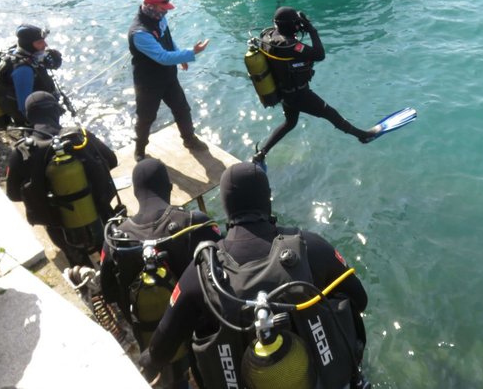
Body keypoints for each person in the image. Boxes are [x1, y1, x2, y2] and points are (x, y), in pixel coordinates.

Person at [138, 162, 370, 389]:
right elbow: (360, 299)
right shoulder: (311, 245)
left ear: (226, 204)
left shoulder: (198, 274)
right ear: (266, 198)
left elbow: (160, 352)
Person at [100, 158, 222, 389]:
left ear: (135, 193)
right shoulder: (194, 224)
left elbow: (108, 293)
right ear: (169, 187)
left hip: (151, 337)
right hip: (201, 335)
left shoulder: (115, 240)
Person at [6, 91, 119, 267]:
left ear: (29, 116)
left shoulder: (22, 152)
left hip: (59, 227)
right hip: (100, 214)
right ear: (56, 111)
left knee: (80, 267)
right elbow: (112, 160)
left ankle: (88, 282)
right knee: (113, 254)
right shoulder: (79, 136)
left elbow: (13, 195)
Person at [252, 7, 377, 165]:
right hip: (298, 95)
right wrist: (312, 29)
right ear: (291, 25)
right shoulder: (289, 45)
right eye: (296, 22)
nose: (299, 25)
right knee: (330, 113)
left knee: (290, 123)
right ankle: (363, 135)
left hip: (283, 92)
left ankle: (262, 153)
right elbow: (319, 54)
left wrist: (294, 25)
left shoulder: (268, 36)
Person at [128, 0, 210, 162]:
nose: (165, 11)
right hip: (148, 83)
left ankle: (189, 139)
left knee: (182, 109)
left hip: (168, 77)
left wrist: (180, 55)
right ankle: (140, 148)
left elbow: (168, 38)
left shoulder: (159, 17)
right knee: (146, 117)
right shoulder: (139, 33)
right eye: (162, 8)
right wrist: (190, 53)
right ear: (150, 7)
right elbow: (162, 57)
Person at [0, 24, 63, 126]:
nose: (45, 45)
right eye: (39, 42)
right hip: (35, 122)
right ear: (28, 45)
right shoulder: (23, 70)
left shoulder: (21, 53)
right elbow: (25, 108)